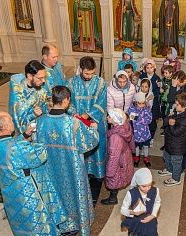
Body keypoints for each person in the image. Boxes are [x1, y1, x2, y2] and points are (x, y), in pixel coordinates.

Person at [0, 112, 67, 236]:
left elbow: (9, 148)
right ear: (4, 127)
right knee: (37, 224)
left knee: (20, 221)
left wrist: (24, 135)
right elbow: (40, 154)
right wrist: (42, 137)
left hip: (8, 188)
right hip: (25, 189)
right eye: (10, 120)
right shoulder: (15, 148)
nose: (13, 121)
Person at [35, 86, 99, 235]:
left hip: (49, 168)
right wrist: (94, 129)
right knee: (73, 193)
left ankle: (57, 223)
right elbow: (90, 141)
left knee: (54, 193)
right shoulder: (73, 123)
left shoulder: (41, 122)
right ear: (66, 101)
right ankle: (75, 223)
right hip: (72, 169)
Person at [67, 56, 107, 206]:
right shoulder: (71, 83)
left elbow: (102, 102)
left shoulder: (101, 83)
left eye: (92, 73)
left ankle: (97, 174)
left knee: (97, 148)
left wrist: (88, 115)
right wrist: (75, 114)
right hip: (78, 123)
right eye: (86, 73)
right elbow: (68, 102)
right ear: (80, 69)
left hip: (95, 122)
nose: (89, 76)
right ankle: (83, 174)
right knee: (81, 150)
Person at [101, 108, 135, 205]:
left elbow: (113, 156)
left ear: (115, 119)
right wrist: (132, 150)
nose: (108, 117)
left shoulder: (115, 136)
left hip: (119, 160)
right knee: (119, 176)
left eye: (110, 116)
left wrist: (109, 172)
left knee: (115, 177)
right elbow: (131, 139)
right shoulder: (125, 125)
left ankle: (112, 198)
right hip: (125, 156)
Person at [160, 93, 186, 186]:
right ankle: (170, 170)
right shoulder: (175, 111)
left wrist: (172, 125)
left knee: (176, 162)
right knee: (167, 157)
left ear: (184, 107)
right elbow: (165, 121)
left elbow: (176, 133)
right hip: (169, 143)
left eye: (177, 104)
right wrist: (169, 121)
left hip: (178, 146)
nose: (175, 106)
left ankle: (176, 178)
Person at [9, 60, 48, 135]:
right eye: (40, 78)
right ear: (30, 76)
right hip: (25, 133)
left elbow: (44, 104)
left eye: (44, 77)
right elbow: (19, 119)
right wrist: (34, 114)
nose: (43, 81)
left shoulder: (38, 87)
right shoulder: (18, 93)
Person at [121, 168, 161, 235]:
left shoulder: (155, 190)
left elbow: (157, 202)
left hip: (150, 218)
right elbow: (123, 210)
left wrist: (153, 215)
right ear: (138, 184)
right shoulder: (131, 193)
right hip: (136, 221)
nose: (147, 188)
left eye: (150, 185)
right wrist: (132, 212)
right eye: (144, 186)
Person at [128, 92, 153, 167]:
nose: (142, 105)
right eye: (139, 103)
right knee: (136, 147)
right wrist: (142, 119)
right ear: (136, 102)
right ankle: (137, 158)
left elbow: (149, 120)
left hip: (145, 133)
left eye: (143, 103)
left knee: (146, 146)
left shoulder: (147, 109)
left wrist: (137, 118)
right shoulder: (131, 109)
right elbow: (131, 117)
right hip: (136, 134)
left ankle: (146, 158)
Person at [141, 59, 161, 146]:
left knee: (152, 120)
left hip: (153, 102)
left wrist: (153, 95)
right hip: (142, 100)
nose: (149, 69)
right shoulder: (142, 76)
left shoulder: (157, 78)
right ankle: (143, 135)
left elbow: (159, 90)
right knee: (143, 119)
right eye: (147, 68)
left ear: (154, 68)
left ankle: (151, 137)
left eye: (151, 67)